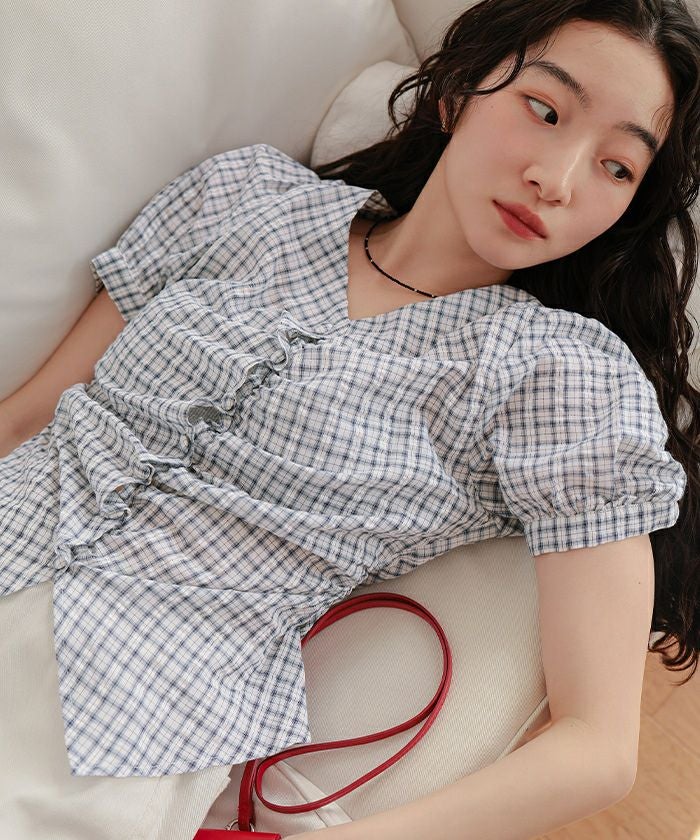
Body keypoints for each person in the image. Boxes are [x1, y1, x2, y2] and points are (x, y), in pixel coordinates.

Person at [0, 0, 698, 838]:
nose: (558, 178)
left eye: (617, 167)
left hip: (114, 714)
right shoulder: (248, 197)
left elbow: (598, 750)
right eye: (544, 111)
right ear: (459, 94)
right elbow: (27, 419)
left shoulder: (560, 376)